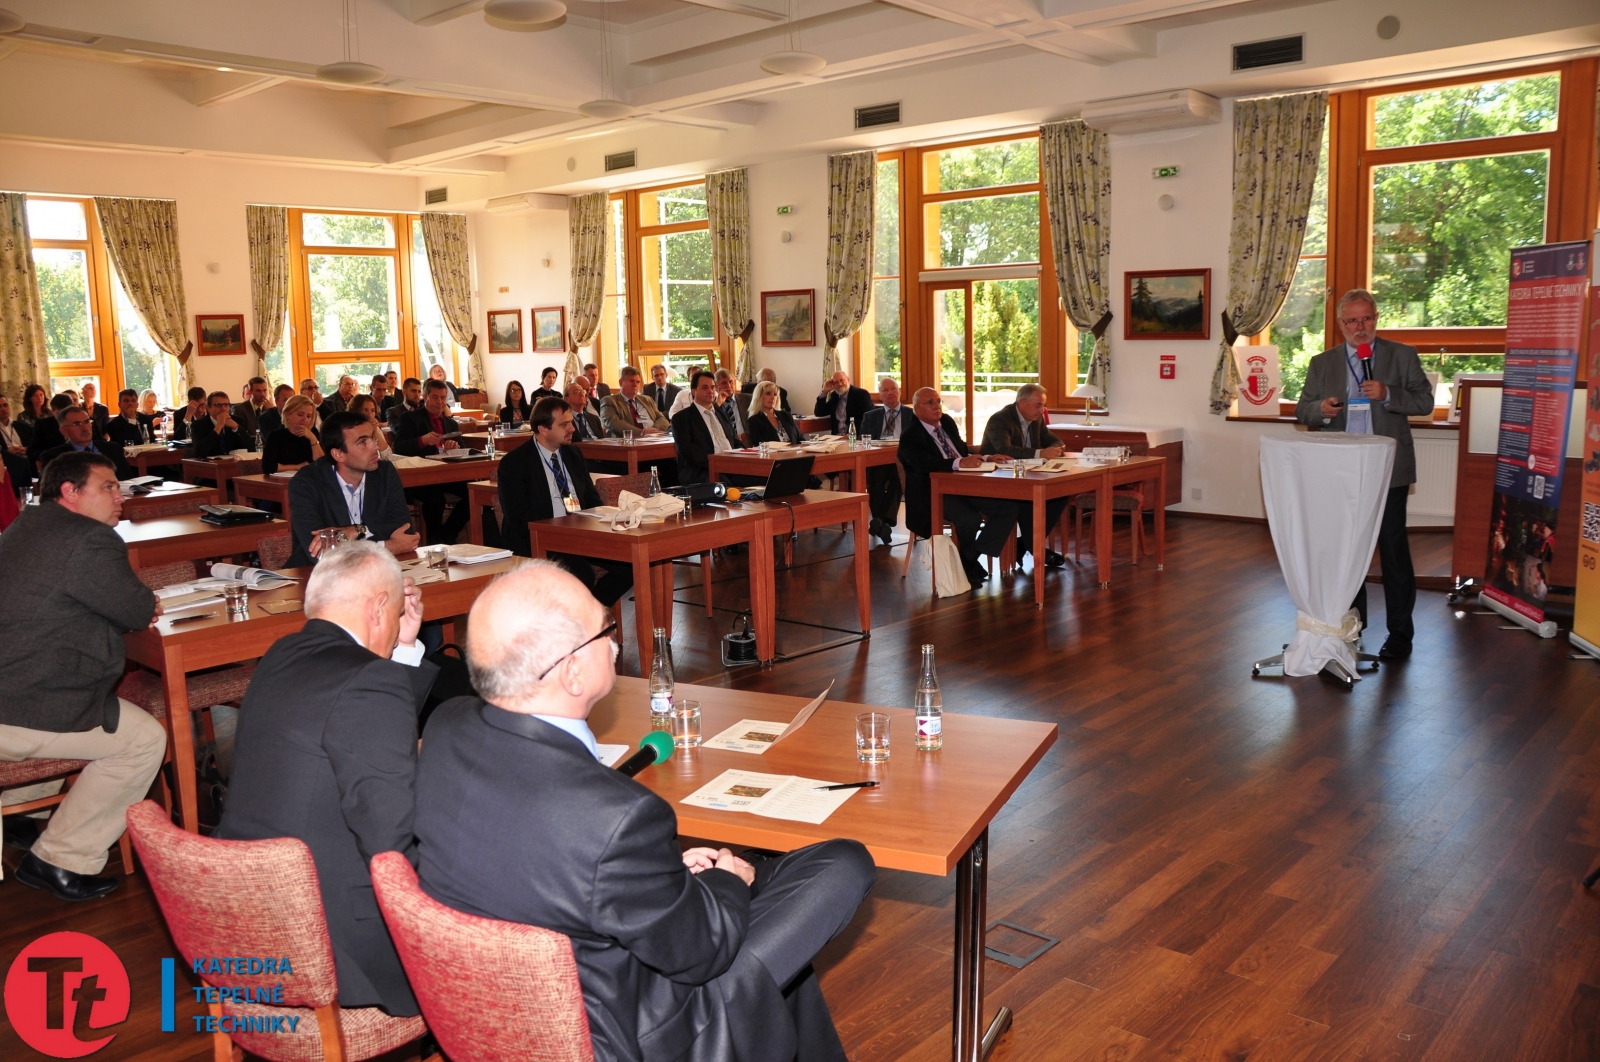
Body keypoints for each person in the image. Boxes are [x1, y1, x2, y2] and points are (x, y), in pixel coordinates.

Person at [415, 562, 873, 1062]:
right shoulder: (614, 816)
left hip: (507, 1003)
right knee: (841, 864)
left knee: (774, 918)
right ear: (571, 673)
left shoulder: (446, 727)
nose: (615, 642)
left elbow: (540, 858)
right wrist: (726, 883)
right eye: (605, 630)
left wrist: (658, 875)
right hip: (623, 1030)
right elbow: (702, 953)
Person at [216, 542, 435, 1017]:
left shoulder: (281, 654)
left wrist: (400, 650)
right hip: (335, 944)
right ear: (379, 606)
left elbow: (362, 723)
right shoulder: (368, 683)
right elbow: (390, 841)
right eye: (396, 612)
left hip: (249, 918)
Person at [0, 452, 167, 901]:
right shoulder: (89, 538)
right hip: (17, 704)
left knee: (73, 702)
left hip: (11, 686)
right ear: (69, 492)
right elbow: (134, 608)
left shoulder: (26, 524)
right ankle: (59, 859)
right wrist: (139, 603)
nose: (120, 496)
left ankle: (17, 811)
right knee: (143, 740)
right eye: (108, 487)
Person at [1295, 288, 1435, 659]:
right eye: (1353, 321)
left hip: (1388, 469)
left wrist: (1388, 393)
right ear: (1340, 324)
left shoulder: (1401, 355)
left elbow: (1424, 401)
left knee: (1392, 549)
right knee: (1346, 552)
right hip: (1341, 469)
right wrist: (1322, 409)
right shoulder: (1323, 362)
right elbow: (1303, 409)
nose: (1361, 327)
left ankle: (1400, 634)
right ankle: (1351, 627)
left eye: (1367, 319)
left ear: (1376, 319)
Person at [498, 398, 633, 605]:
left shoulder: (573, 453)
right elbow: (518, 516)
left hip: (580, 533)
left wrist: (602, 518)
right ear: (543, 429)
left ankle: (591, 611)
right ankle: (584, 616)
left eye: (571, 422)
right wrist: (561, 529)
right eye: (564, 424)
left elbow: (590, 498)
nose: (572, 428)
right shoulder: (515, 462)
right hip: (540, 538)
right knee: (581, 575)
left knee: (630, 567)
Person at [898, 387, 1016, 588]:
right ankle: (968, 562)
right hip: (933, 492)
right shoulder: (911, 434)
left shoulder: (947, 422)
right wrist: (958, 463)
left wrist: (987, 457)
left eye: (938, 401)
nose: (937, 406)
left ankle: (970, 557)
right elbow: (922, 464)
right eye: (930, 403)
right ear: (917, 409)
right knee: (969, 519)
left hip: (965, 485)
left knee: (1008, 508)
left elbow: (961, 450)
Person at [287, 412, 420, 567]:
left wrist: (356, 531)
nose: (375, 447)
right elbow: (322, 553)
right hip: (315, 574)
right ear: (338, 454)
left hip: (374, 571)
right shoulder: (305, 483)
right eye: (362, 442)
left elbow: (406, 530)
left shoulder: (385, 473)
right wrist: (389, 545)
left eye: (373, 438)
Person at [979, 383, 1067, 570]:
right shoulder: (1000, 419)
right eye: (1038, 405)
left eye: (1043, 405)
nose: (1042, 410)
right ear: (1022, 403)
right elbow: (1004, 449)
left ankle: (1025, 544)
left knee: (1059, 495)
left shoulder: (1036, 419)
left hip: (1026, 475)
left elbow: (1054, 439)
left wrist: (1056, 449)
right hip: (998, 477)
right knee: (1027, 502)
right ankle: (1034, 547)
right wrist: (1040, 453)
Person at [391, 379, 469, 544]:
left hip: (447, 475)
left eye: (443, 398)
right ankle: (434, 539)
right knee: (435, 500)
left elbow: (463, 449)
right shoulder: (410, 418)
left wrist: (454, 447)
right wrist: (422, 441)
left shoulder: (451, 423)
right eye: (435, 397)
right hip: (421, 478)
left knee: (473, 492)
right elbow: (399, 447)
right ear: (425, 397)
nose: (440, 402)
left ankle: (448, 534)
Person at [859, 377, 906, 546]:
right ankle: (883, 524)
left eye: (893, 389)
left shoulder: (911, 415)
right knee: (875, 479)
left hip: (902, 460)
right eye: (885, 390)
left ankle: (879, 522)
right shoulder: (870, 416)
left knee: (899, 478)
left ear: (899, 392)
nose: (890, 393)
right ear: (879, 395)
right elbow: (862, 440)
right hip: (877, 460)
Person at [672, 370, 736, 486]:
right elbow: (688, 451)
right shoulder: (681, 418)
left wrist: (743, 455)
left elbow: (734, 441)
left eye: (712, 387)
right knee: (725, 483)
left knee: (762, 476)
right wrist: (718, 462)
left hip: (731, 465)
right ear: (694, 391)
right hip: (702, 470)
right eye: (705, 387)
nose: (710, 391)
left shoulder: (721, 413)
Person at [41, 405, 133, 480]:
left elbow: (128, 480)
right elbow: (50, 489)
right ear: (64, 431)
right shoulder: (53, 457)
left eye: (87, 422)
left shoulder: (113, 449)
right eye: (77, 424)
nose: (85, 428)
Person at [598, 366, 670, 436]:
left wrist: (655, 429)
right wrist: (642, 433)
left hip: (655, 439)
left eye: (638, 382)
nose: (635, 385)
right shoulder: (609, 401)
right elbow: (614, 423)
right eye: (631, 381)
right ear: (620, 382)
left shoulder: (648, 400)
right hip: (626, 441)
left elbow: (662, 418)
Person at [262, 394, 323, 475]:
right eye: (300, 414)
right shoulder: (275, 436)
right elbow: (268, 467)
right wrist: (297, 467)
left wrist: (313, 439)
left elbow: (322, 465)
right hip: (283, 479)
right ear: (288, 415)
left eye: (309, 416)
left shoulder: (313, 433)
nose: (304, 419)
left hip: (310, 478)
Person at [188, 390, 250, 458]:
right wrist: (218, 426)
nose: (223, 408)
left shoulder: (237, 421)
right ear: (208, 408)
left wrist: (236, 427)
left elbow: (251, 447)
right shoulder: (198, 425)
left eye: (226, 405)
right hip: (210, 463)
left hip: (234, 462)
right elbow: (200, 452)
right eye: (218, 405)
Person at [814, 371, 874, 439]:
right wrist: (824, 391)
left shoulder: (861, 394)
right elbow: (819, 412)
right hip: (836, 438)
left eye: (842, 380)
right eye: (836, 382)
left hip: (854, 437)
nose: (839, 384)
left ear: (848, 379)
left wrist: (850, 435)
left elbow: (868, 418)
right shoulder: (835, 396)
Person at [0, 395, 34, 495]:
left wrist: (26, 449)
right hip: (7, 466)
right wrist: (8, 453)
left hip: (27, 462)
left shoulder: (22, 426)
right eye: (0, 406)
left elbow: (34, 445)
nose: (3, 409)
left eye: (5, 405)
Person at [714, 368, 751, 446]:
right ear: (716, 386)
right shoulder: (713, 405)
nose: (728, 385)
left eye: (731, 382)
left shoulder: (748, 399)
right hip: (725, 444)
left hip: (747, 443)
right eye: (724, 383)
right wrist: (718, 404)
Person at [232, 377, 272, 441]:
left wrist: (273, 412)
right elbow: (238, 434)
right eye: (258, 391)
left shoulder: (270, 409)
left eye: (264, 390)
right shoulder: (239, 409)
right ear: (250, 391)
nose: (263, 394)